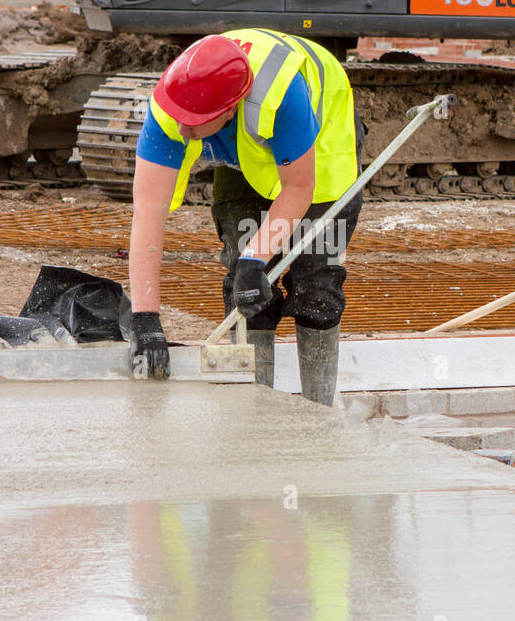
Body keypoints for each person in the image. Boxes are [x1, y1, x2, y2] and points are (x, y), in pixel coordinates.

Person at [127, 28, 363, 405]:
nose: (182, 130)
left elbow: (299, 188)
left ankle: (320, 414)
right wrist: (145, 318)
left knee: (316, 284)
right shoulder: (173, 105)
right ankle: (254, 412)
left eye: (193, 122)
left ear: (228, 110)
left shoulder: (282, 96)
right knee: (248, 284)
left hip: (318, 151)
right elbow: (148, 211)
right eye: (179, 118)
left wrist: (260, 255)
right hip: (245, 158)